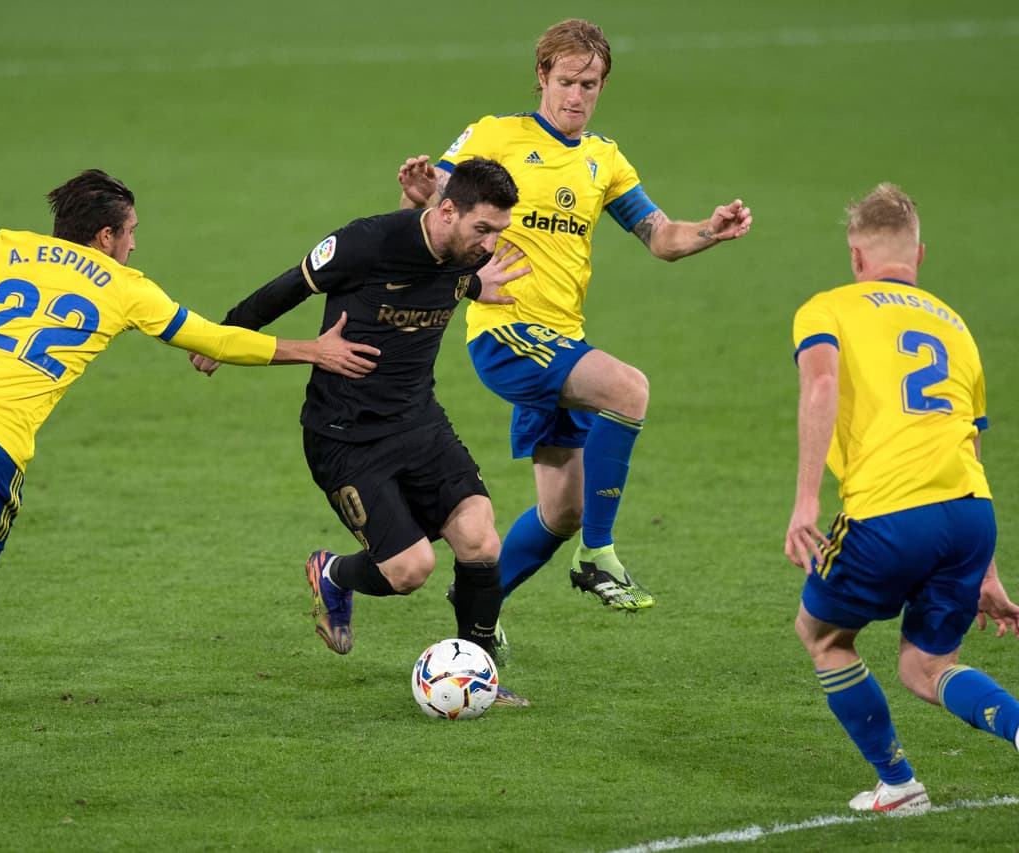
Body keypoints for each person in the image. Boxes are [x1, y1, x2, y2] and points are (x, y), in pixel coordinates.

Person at [0, 169, 381, 716]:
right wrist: (313, 350)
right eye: (130, 231)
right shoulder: (124, 287)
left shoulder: (7, 246)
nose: (134, 243)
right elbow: (214, 340)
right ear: (105, 236)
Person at [398, 19, 752, 645]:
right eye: (566, 81)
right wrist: (421, 197)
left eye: (589, 85)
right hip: (505, 331)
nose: (576, 96)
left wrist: (708, 230)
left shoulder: (603, 159)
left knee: (564, 510)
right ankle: (598, 556)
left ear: (602, 86)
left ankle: (479, 599)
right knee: (628, 389)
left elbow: (658, 236)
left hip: (561, 340)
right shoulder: (495, 135)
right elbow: (435, 213)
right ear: (542, 76)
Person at [190, 158, 532, 704]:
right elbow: (289, 286)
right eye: (483, 229)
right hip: (345, 435)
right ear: (447, 211)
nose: (490, 245)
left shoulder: (466, 255)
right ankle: (333, 574)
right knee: (410, 570)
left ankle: (479, 673)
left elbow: (442, 273)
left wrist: (475, 285)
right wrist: (224, 336)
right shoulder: (366, 242)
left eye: (498, 232)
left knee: (480, 539)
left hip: (419, 422)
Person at [785, 182, 1019, 815]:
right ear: (919, 255)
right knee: (928, 667)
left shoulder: (827, 308)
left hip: (889, 511)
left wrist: (806, 502)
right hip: (970, 515)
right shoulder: (955, 324)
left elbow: (822, 385)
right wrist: (988, 573)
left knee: (823, 636)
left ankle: (898, 783)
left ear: (856, 256)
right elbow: (971, 442)